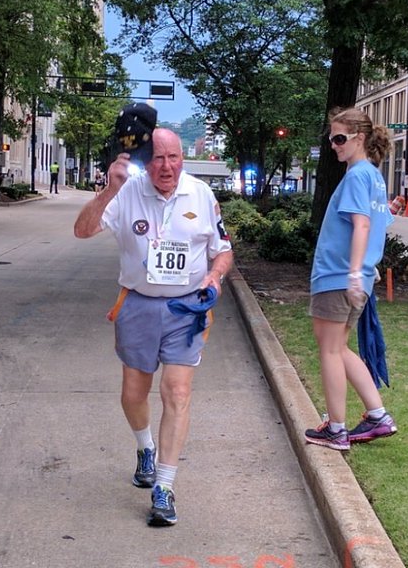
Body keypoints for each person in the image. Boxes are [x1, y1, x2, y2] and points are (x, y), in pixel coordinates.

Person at [72, 128, 233, 527]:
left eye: (174, 157)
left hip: (185, 309)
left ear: (182, 158)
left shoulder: (201, 194)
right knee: (134, 393)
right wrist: (108, 190)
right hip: (138, 305)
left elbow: (223, 251)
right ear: (147, 160)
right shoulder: (127, 191)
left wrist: (214, 277)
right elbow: (83, 230)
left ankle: (164, 485)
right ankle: (144, 447)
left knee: (177, 391)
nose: (167, 166)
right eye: (158, 158)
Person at [304, 106, 397, 450]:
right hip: (352, 277)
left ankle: (336, 428)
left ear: (360, 137)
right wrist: (362, 273)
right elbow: (376, 227)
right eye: (331, 138)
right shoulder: (372, 176)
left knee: (329, 350)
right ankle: (376, 416)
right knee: (338, 347)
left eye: (340, 138)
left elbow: (362, 225)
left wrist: (355, 273)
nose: (334, 144)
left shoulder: (358, 176)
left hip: (339, 276)